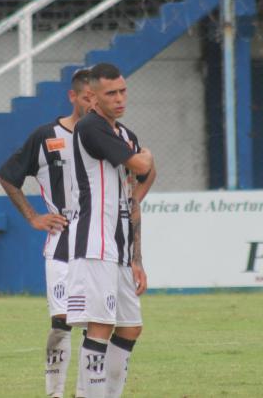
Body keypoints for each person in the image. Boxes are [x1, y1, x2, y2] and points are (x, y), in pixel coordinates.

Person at [0, 68, 92, 398]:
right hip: (62, 244)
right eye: (87, 98)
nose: (93, 104)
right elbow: (9, 176)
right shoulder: (45, 136)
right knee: (62, 320)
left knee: (97, 325)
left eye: (99, 98)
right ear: (73, 96)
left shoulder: (111, 137)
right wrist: (33, 216)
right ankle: (53, 393)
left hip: (101, 244)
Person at [66, 63, 156, 397]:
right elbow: (142, 164)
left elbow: (142, 185)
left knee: (131, 328)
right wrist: (145, 158)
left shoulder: (125, 134)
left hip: (118, 250)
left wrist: (138, 258)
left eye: (122, 91)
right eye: (111, 93)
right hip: (93, 242)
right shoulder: (90, 127)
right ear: (91, 97)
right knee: (101, 326)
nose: (119, 99)